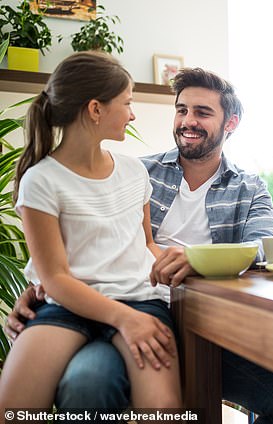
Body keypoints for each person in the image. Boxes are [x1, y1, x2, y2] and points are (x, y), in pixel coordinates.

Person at [5, 68, 273, 423]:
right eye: (181, 110)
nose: (187, 121)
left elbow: (267, 247)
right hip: (130, 306)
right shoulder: (134, 171)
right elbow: (79, 244)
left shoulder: (249, 188)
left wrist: (199, 260)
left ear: (231, 123)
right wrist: (38, 285)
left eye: (202, 113)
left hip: (207, 325)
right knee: (89, 384)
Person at [0, 52, 181, 416]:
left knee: (163, 410)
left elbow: (146, 243)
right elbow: (55, 278)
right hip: (68, 307)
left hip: (141, 302)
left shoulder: (134, 173)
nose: (132, 114)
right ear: (95, 109)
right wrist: (122, 318)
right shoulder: (42, 180)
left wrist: (187, 264)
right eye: (127, 103)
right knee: (11, 409)